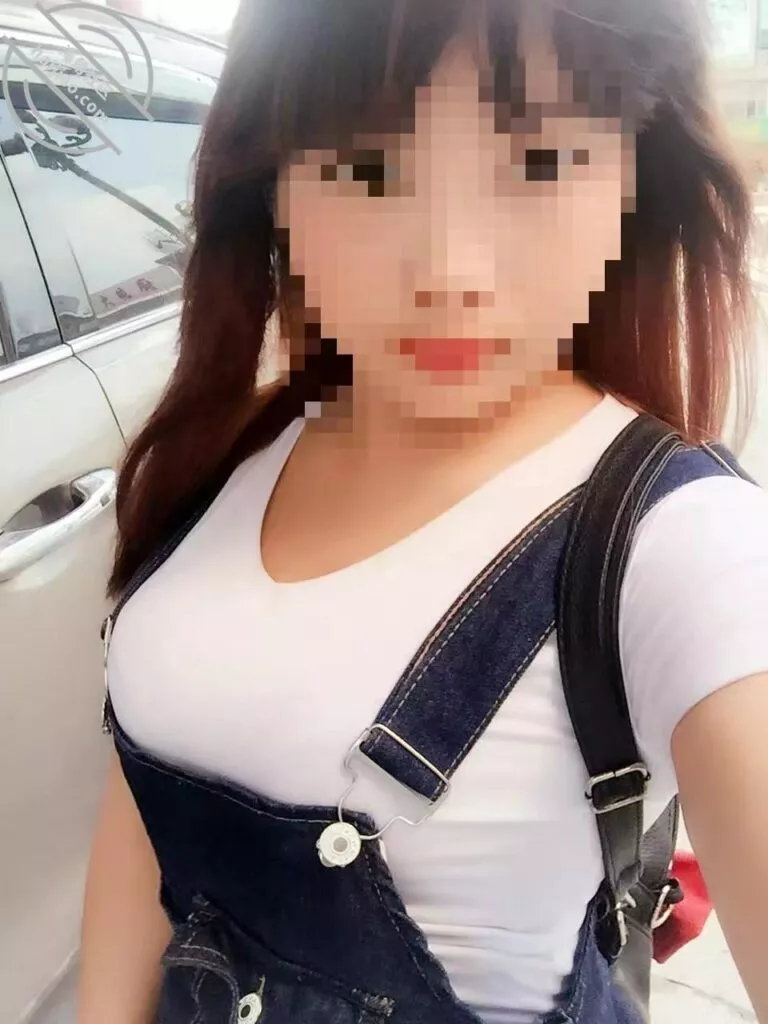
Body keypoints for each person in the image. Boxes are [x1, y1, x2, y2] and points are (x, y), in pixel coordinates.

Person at [77, 1, 768, 1022]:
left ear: (635, 177)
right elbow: (152, 812)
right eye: (367, 169)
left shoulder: (681, 547)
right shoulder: (240, 446)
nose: (451, 272)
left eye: (539, 164)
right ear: (273, 187)